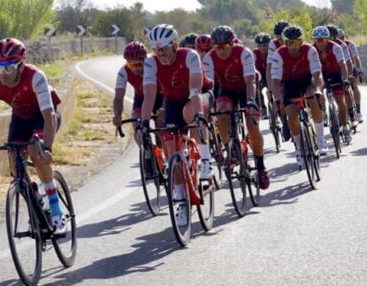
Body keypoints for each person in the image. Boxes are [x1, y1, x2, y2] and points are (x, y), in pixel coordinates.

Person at [0, 38, 66, 234]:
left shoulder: (36, 76)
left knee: (36, 151)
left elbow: (49, 115)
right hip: (21, 117)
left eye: (8, 68)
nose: (3, 74)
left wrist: (48, 148)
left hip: (44, 115)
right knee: (15, 162)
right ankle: (35, 202)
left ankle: (56, 211)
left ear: (21, 65)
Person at [140, 24, 213, 226]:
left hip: (199, 95)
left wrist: (198, 116)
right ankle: (181, 200)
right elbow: (149, 96)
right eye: (156, 49)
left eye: (163, 48)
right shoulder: (151, 63)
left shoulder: (189, 56)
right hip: (172, 101)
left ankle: (206, 159)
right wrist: (144, 123)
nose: (160, 53)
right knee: (171, 149)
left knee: (189, 113)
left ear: (175, 45)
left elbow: (195, 91)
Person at [202, 26, 270, 189]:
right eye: (217, 47)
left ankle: (260, 167)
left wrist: (251, 101)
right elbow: (209, 87)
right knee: (221, 109)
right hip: (227, 89)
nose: (221, 50)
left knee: (253, 127)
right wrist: (207, 107)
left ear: (232, 44)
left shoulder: (244, 53)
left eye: (225, 46)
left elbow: (250, 82)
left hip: (246, 88)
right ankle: (230, 150)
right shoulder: (209, 58)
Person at [269, 25, 328, 168]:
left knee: (313, 97)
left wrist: (319, 89)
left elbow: (317, 74)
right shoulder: (278, 54)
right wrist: (278, 98)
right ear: (284, 43)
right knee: (291, 114)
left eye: (296, 42)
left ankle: (320, 139)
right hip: (289, 82)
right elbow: (275, 81)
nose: (293, 47)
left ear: (302, 41)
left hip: (307, 80)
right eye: (290, 43)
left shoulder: (310, 50)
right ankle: (299, 148)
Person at [112, 41, 163, 143]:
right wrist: (117, 115)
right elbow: (118, 98)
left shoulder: (155, 64)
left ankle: (162, 143)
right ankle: (146, 154)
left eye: (138, 64)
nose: (135, 68)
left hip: (160, 98)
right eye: (131, 65)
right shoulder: (123, 71)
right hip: (141, 99)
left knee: (162, 127)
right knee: (138, 127)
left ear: (145, 60)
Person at [312, 26, 351, 144]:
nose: (320, 43)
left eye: (323, 40)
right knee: (318, 95)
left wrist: (345, 79)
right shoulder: (312, 49)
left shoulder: (335, 47)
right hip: (321, 74)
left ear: (328, 39)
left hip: (335, 73)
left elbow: (343, 65)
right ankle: (323, 112)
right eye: (317, 40)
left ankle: (345, 126)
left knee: (340, 101)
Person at [268, 20, 291, 140]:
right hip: (280, 72)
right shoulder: (273, 44)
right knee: (280, 101)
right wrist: (271, 87)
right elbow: (269, 67)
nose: (280, 39)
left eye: (282, 35)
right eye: (278, 36)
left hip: (294, 72)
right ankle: (285, 123)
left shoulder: (295, 39)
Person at [337, 28, 364, 122]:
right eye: (340, 38)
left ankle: (358, 111)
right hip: (337, 69)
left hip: (349, 66)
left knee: (354, 86)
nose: (342, 39)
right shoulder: (334, 45)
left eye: (343, 37)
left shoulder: (349, 44)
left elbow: (356, 57)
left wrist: (358, 69)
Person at [253, 32, 272, 119]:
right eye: (260, 45)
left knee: (272, 90)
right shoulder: (254, 53)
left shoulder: (272, 52)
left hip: (270, 74)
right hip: (260, 75)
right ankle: (263, 108)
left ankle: (274, 105)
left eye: (265, 45)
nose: (262, 48)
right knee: (258, 89)